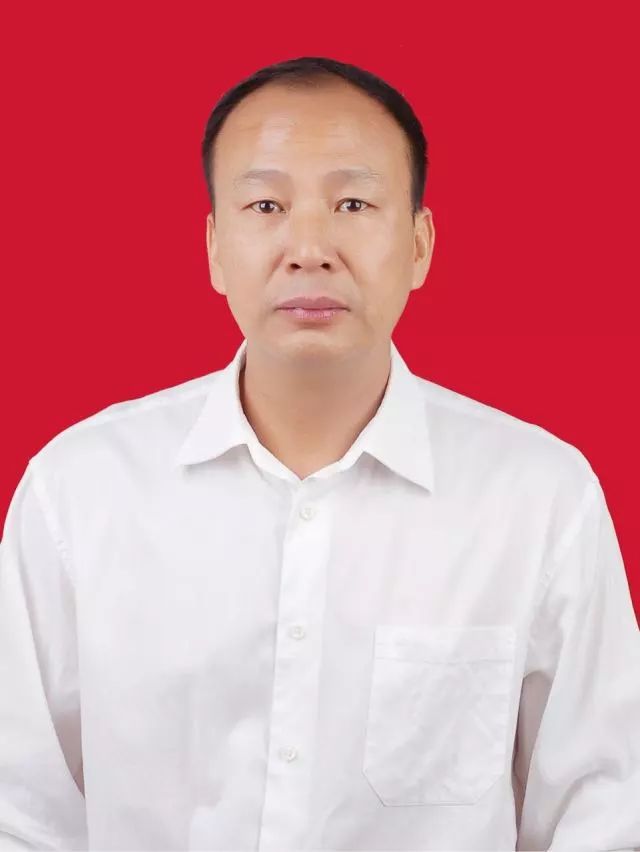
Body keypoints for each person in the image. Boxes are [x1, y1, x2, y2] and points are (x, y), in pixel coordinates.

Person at [1, 54, 638, 851]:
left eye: (353, 203)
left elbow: (606, 809)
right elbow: (20, 810)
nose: (309, 247)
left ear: (419, 244)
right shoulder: (80, 490)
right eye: (266, 204)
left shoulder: (537, 498)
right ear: (214, 247)